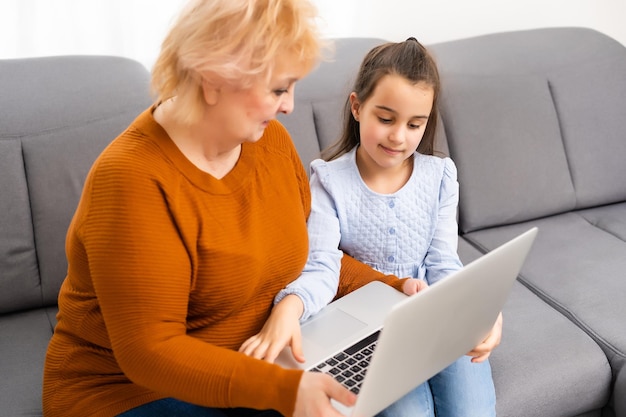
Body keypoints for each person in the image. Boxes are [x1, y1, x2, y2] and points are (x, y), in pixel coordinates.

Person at [42, 1, 414, 416]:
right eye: (278, 89)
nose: (289, 106)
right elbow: (149, 352)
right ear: (213, 78)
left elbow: (314, 254)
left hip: (249, 364)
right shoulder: (133, 180)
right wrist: (282, 389)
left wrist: (395, 292)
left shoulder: (270, 142)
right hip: (129, 392)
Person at [241, 38, 503, 417]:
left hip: (435, 315)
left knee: (473, 410)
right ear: (357, 106)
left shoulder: (440, 175)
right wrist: (289, 308)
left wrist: (479, 312)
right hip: (372, 330)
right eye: (386, 119)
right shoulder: (328, 181)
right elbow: (321, 267)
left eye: (415, 124)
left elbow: (444, 263)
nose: (399, 136)